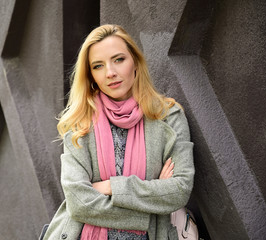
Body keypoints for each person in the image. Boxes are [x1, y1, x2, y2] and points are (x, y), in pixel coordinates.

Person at [42, 24, 195, 240]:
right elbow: (78, 203)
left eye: (119, 59)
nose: (110, 73)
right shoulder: (80, 123)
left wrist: (110, 187)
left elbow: (179, 190)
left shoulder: (168, 117)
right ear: (91, 75)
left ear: (135, 62)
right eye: (98, 66)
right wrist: (150, 202)